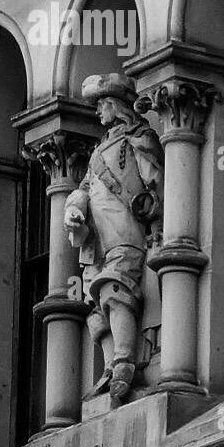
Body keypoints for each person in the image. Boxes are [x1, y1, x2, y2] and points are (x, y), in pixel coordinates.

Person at [63, 73, 163, 406]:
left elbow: (157, 182)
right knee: (93, 309)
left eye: (101, 106)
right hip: (99, 244)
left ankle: (124, 362)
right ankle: (109, 369)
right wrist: (74, 209)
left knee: (114, 290)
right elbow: (86, 189)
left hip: (126, 234)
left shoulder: (138, 137)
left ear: (114, 106)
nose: (97, 113)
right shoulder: (98, 150)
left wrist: (157, 212)